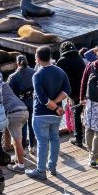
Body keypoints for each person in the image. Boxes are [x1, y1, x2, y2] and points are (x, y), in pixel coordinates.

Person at [27, 46, 71, 180]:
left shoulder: (37, 75)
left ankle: (41, 170)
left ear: (38, 59)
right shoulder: (60, 71)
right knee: (55, 139)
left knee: (42, 142)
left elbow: (42, 98)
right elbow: (67, 91)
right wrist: (57, 105)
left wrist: (53, 105)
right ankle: (52, 167)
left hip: (41, 114)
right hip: (56, 116)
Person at [56, 42, 87, 148]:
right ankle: (87, 136)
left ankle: (78, 138)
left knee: (76, 114)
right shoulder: (78, 57)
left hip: (73, 92)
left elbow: (58, 78)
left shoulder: (62, 61)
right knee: (84, 113)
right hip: (84, 91)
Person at [6, 55, 37, 155]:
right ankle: (32, 146)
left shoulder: (13, 77)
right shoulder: (34, 72)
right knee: (32, 125)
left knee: (22, 127)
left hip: (20, 104)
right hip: (33, 101)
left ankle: (22, 149)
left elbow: (8, 92)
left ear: (17, 63)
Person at [0, 80, 29, 173]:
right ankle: (17, 159)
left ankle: (20, 166)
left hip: (14, 113)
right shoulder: (4, 84)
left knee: (17, 142)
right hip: (24, 110)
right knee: (17, 140)